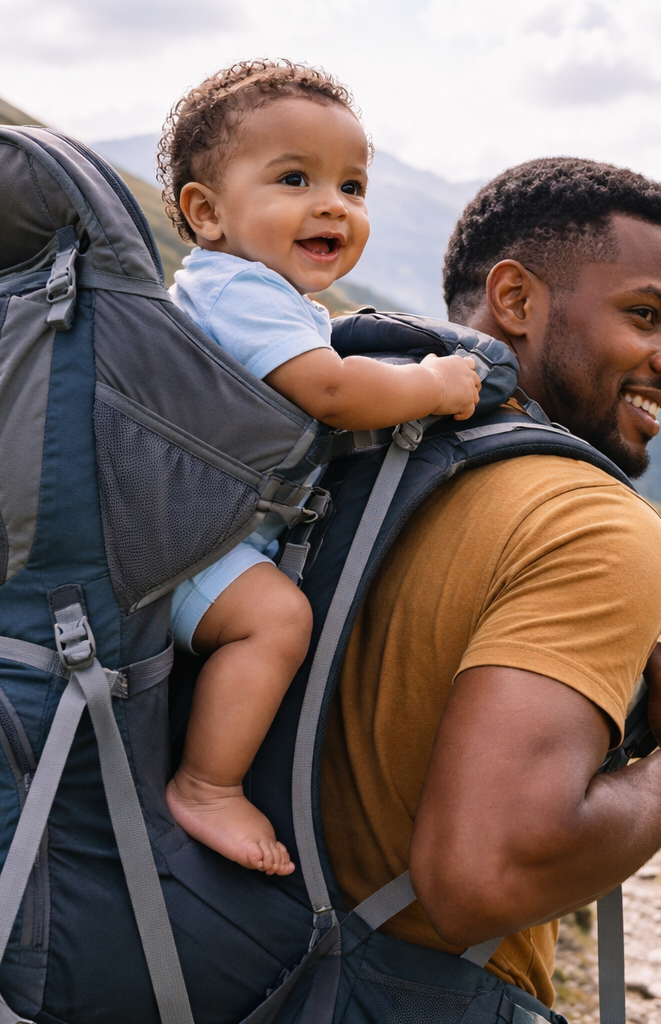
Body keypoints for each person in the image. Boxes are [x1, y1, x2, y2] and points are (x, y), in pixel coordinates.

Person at [320, 157, 661, 1007]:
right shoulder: (591, 524)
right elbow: (481, 877)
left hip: (229, 962)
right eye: (645, 315)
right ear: (516, 301)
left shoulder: (342, 441)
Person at [155, 60, 483, 875]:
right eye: (294, 178)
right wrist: (434, 384)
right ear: (207, 213)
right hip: (183, 545)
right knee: (278, 620)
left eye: (354, 185)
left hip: (192, 525)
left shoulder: (243, 291)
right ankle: (206, 786)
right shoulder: (238, 295)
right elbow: (333, 391)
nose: (333, 203)